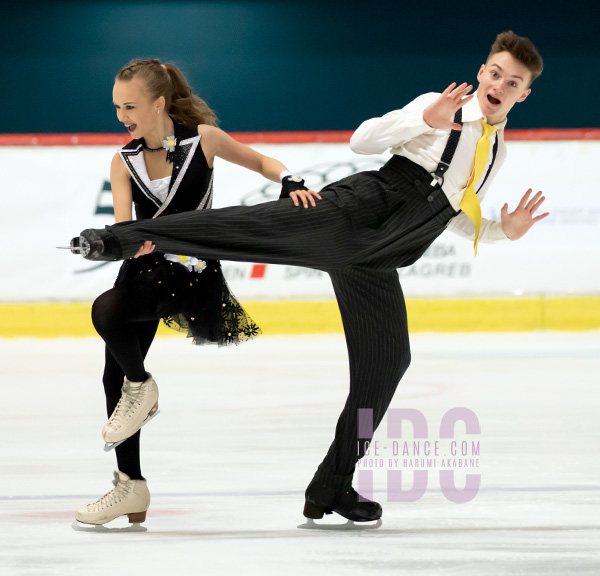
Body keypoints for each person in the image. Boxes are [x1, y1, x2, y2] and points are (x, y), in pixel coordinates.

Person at [70, 32, 548, 525]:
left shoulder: (496, 153)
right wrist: (423, 119)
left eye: (513, 82)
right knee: (253, 226)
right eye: (495, 72)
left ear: (523, 94)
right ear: (483, 70)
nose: (499, 84)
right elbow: (362, 140)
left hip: (382, 255)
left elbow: (457, 213)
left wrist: (500, 231)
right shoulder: (441, 105)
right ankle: (118, 239)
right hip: (360, 211)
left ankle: (332, 485)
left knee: (389, 361)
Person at [74, 58, 320, 528]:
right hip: (144, 273)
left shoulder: (202, 140)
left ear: (158, 103)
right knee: (112, 371)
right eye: (117, 107)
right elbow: (126, 227)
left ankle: (142, 387)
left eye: (130, 106)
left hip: (190, 273)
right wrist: (120, 242)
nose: (122, 116)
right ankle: (131, 484)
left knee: (106, 314)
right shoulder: (122, 161)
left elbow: (260, 159)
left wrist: (289, 179)